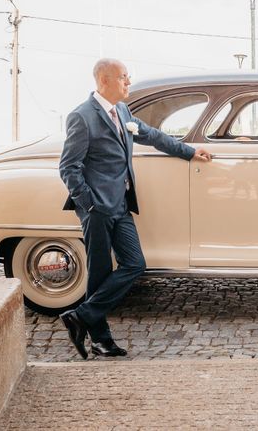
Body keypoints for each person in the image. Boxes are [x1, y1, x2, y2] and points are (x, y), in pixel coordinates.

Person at [58, 58, 213, 359]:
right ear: (104, 81)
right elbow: (69, 167)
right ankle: (101, 340)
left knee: (135, 264)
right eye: (123, 78)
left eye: (128, 77)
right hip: (97, 209)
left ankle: (81, 316)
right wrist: (89, 204)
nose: (128, 83)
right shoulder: (82, 116)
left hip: (121, 205)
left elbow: (152, 136)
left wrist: (191, 151)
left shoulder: (124, 111)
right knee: (100, 273)